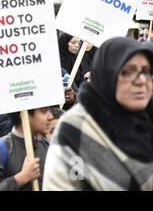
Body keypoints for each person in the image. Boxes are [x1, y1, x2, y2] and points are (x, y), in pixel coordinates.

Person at [43, 37, 153, 191]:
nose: (142, 80)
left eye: (147, 71)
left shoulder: (146, 120)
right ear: (107, 75)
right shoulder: (75, 129)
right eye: (128, 72)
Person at [0, 107, 52, 191]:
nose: (50, 116)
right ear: (25, 115)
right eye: (43, 111)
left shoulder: (48, 147)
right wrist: (21, 178)